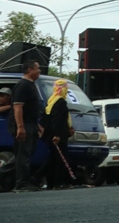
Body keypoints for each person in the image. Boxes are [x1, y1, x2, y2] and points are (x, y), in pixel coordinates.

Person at [9, 60, 43, 193]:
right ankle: (21, 183)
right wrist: (20, 127)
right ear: (30, 70)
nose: (39, 71)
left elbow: (31, 109)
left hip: (31, 124)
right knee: (23, 153)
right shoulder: (23, 85)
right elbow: (18, 107)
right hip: (22, 125)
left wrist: (37, 124)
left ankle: (11, 177)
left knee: (26, 154)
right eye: (37, 68)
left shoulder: (32, 85)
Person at [42, 78, 74, 190]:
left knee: (53, 159)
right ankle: (58, 182)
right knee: (60, 159)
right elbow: (57, 120)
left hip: (51, 134)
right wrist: (57, 135)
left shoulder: (51, 100)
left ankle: (50, 183)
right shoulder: (60, 102)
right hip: (58, 136)